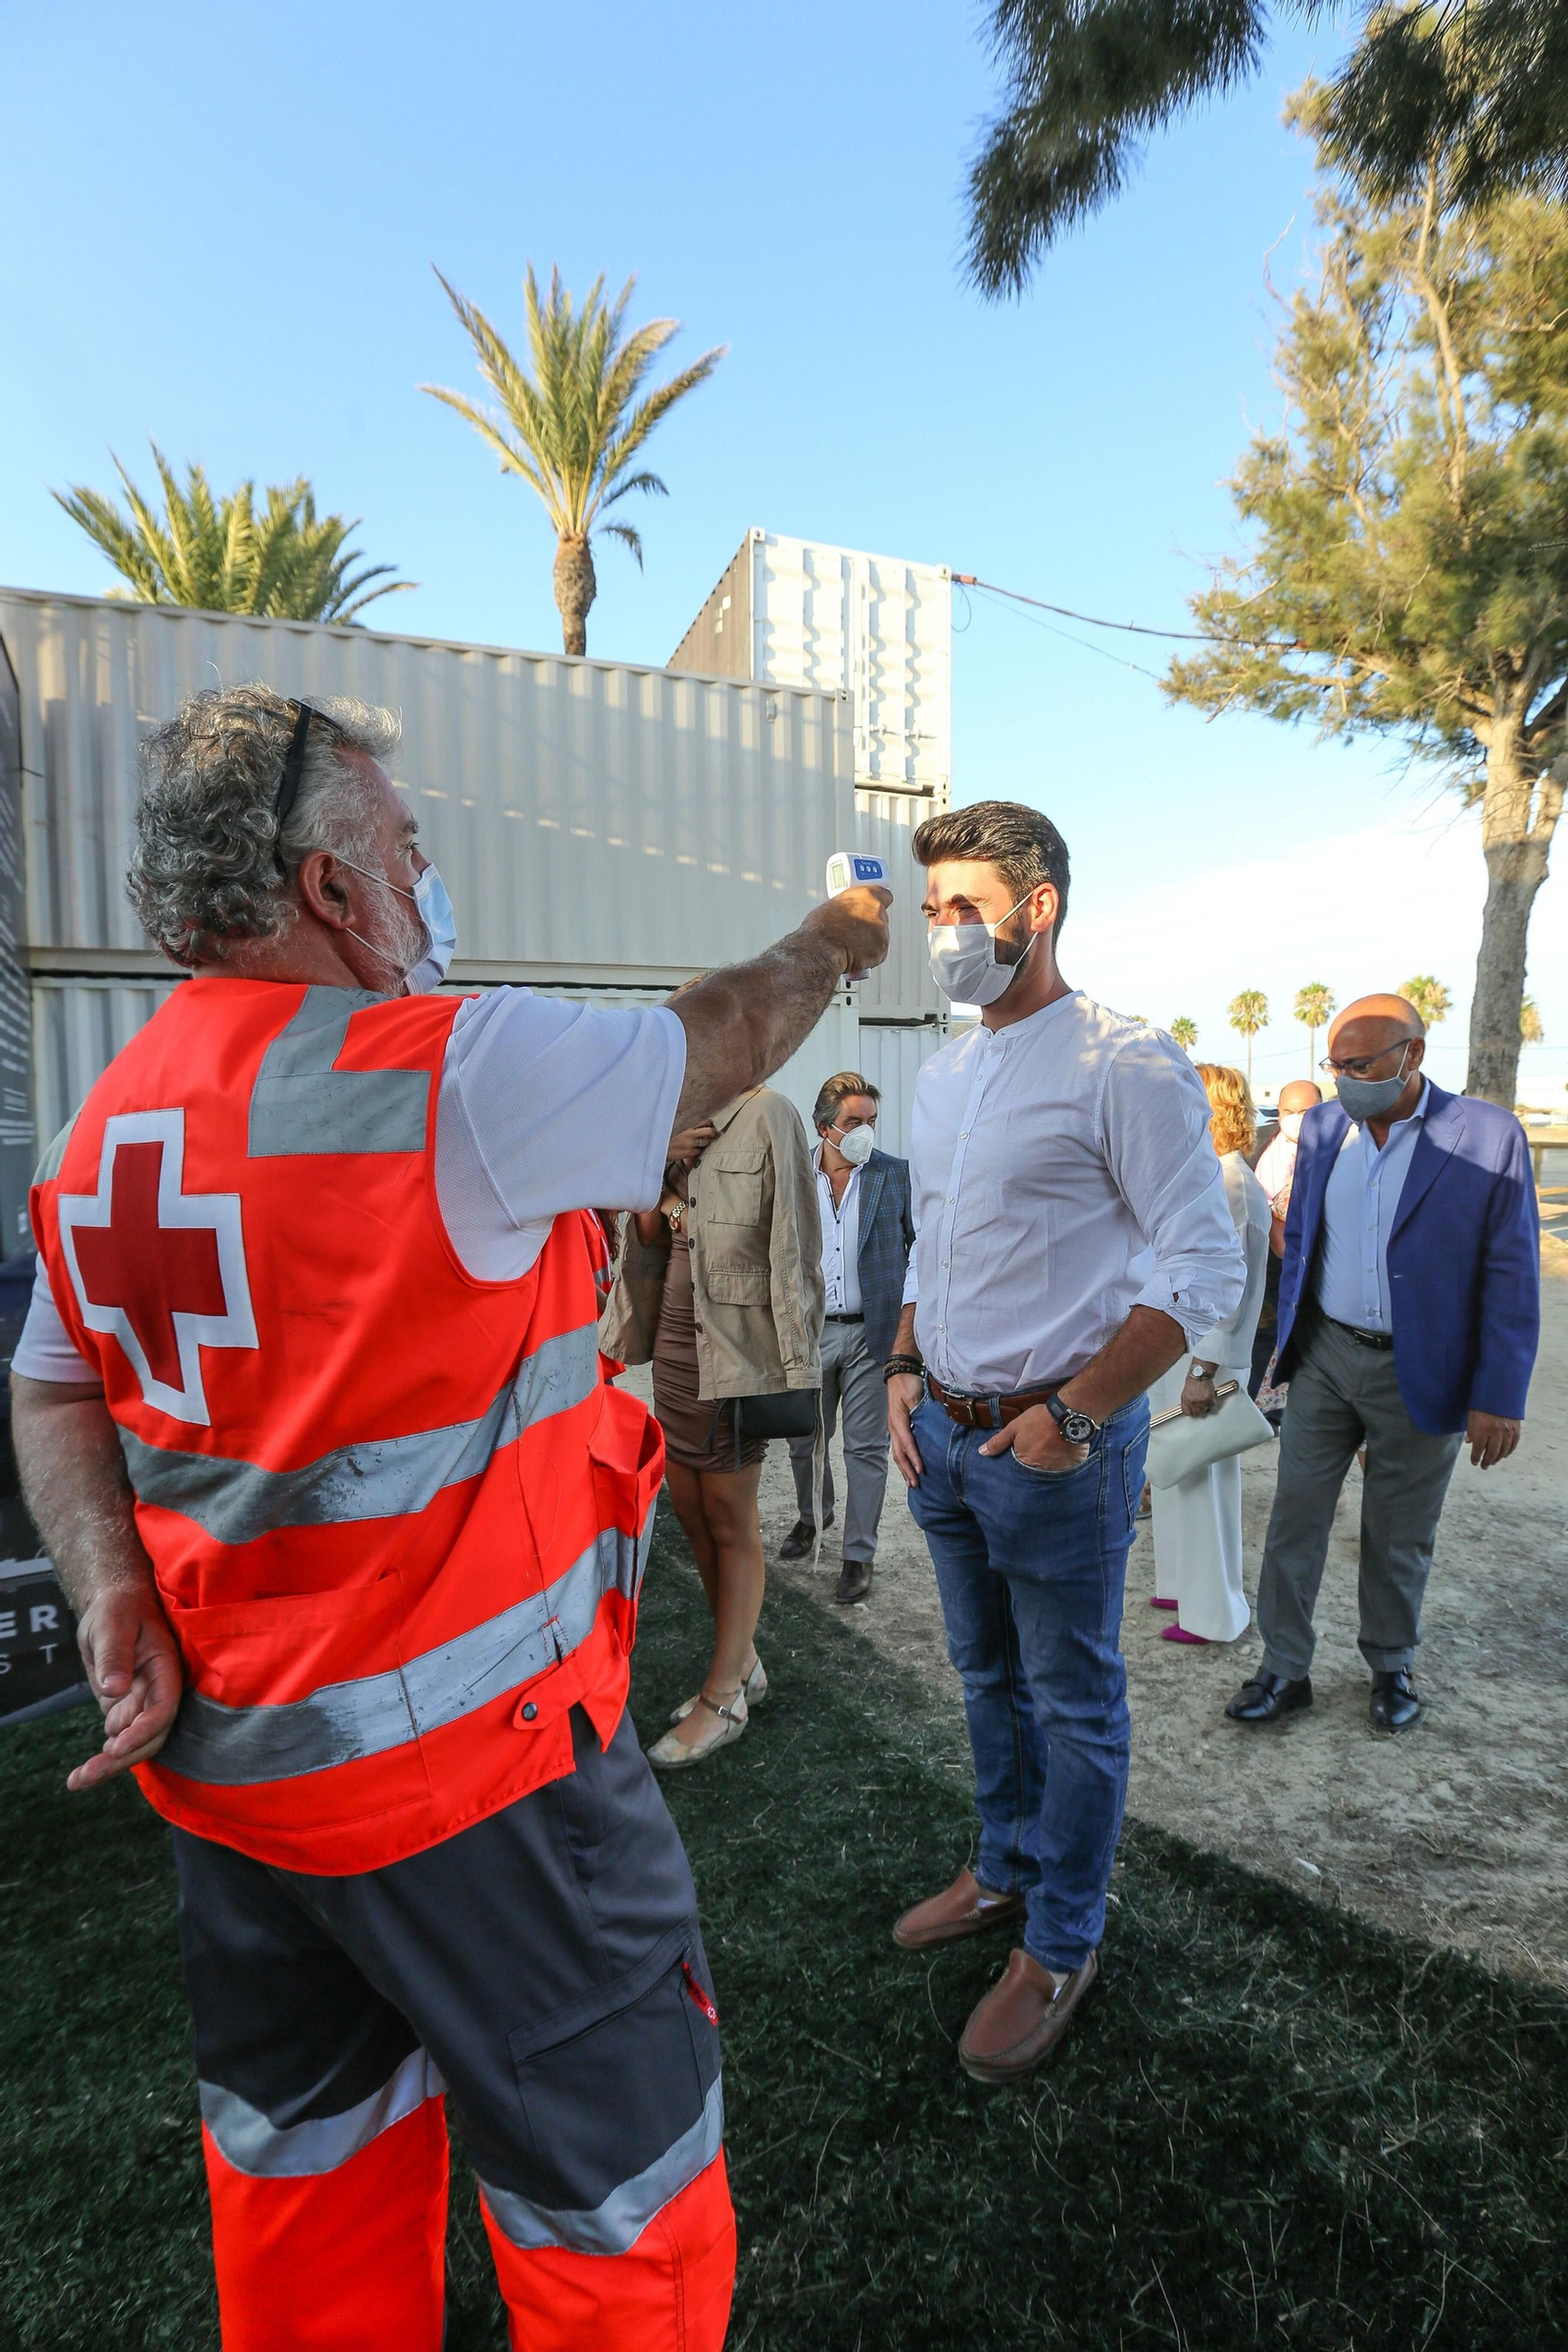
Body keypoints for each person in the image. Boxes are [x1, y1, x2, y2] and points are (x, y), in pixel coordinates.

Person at [11, 683, 890, 2352]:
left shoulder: (99, 1133)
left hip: (233, 1801)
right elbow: (721, 1025)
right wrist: (841, 938)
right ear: (332, 890)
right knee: (618, 2214)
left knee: (309, 2187)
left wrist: (105, 1581)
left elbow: (50, 1385)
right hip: (479, 1792)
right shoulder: (449, 1074)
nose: (428, 888)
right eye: (406, 853)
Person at [881, 802, 1245, 2085]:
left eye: (965, 909)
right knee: (985, 1680)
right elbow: (938, 1240)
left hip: (1054, 1449)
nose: (942, 934)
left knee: (1074, 1702)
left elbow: (1206, 1265)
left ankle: (1062, 1939)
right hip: (947, 1433)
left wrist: (1078, 1416)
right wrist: (906, 1365)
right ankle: (1003, 1869)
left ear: (1037, 910)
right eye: (931, 913)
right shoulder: (947, 1069)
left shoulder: (1122, 1059)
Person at [1226, 994, 1540, 1736]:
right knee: (1294, 1517)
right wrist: (1288, 1344)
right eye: (1335, 1066)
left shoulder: (1486, 1137)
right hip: (1329, 1357)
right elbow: (1301, 1237)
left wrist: (1500, 1393)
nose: (1343, 1080)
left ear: (1413, 1054)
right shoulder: (1328, 1127)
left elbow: (1511, 1271)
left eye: (1359, 1065)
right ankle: (1284, 1667)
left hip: (1423, 1368)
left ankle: (1390, 1664)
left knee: (1399, 1530)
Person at [601, 1084, 821, 1767]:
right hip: (672, 1337)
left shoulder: (768, 1113)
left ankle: (725, 1694)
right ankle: (743, 1657)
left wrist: (791, 1364)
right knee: (691, 1506)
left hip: (734, 1345)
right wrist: (662, 1185)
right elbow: (639, 1227)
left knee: (729, 1512)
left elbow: (794, 1242)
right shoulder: (666, 1116)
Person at [1148, 1064, 1272, 1645]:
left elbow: (1232, 1287)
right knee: (1177, 1470)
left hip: (1209, 1357)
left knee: (1206, 1483)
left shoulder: (1231, 1181)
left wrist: (1204, 1369)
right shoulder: (1207, 1176)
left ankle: (1215, 1613)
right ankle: (1177, 1584)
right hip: (1182, 1349)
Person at [780, 1073, 915, 1603]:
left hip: (870, 1337)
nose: (865, 1132)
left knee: (867, 1450)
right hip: (810, 1333)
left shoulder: (895, 1176)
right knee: (803, 1440)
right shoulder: (794, 1178)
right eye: (853, 1122)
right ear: (824, 1128)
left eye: (871, 1122)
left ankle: (858, 1555)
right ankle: (814, 1515)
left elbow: (918, 1252)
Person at [1248, 1079, 1323, 1413]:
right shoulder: (1257, 1146)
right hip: (1263, 1265)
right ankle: (1260, 1410)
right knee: (1263, 1336)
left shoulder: (1339, 1148)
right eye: (1288, 1111)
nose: (1295, 1119)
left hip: (1314, 1268)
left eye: (1304, 1111)